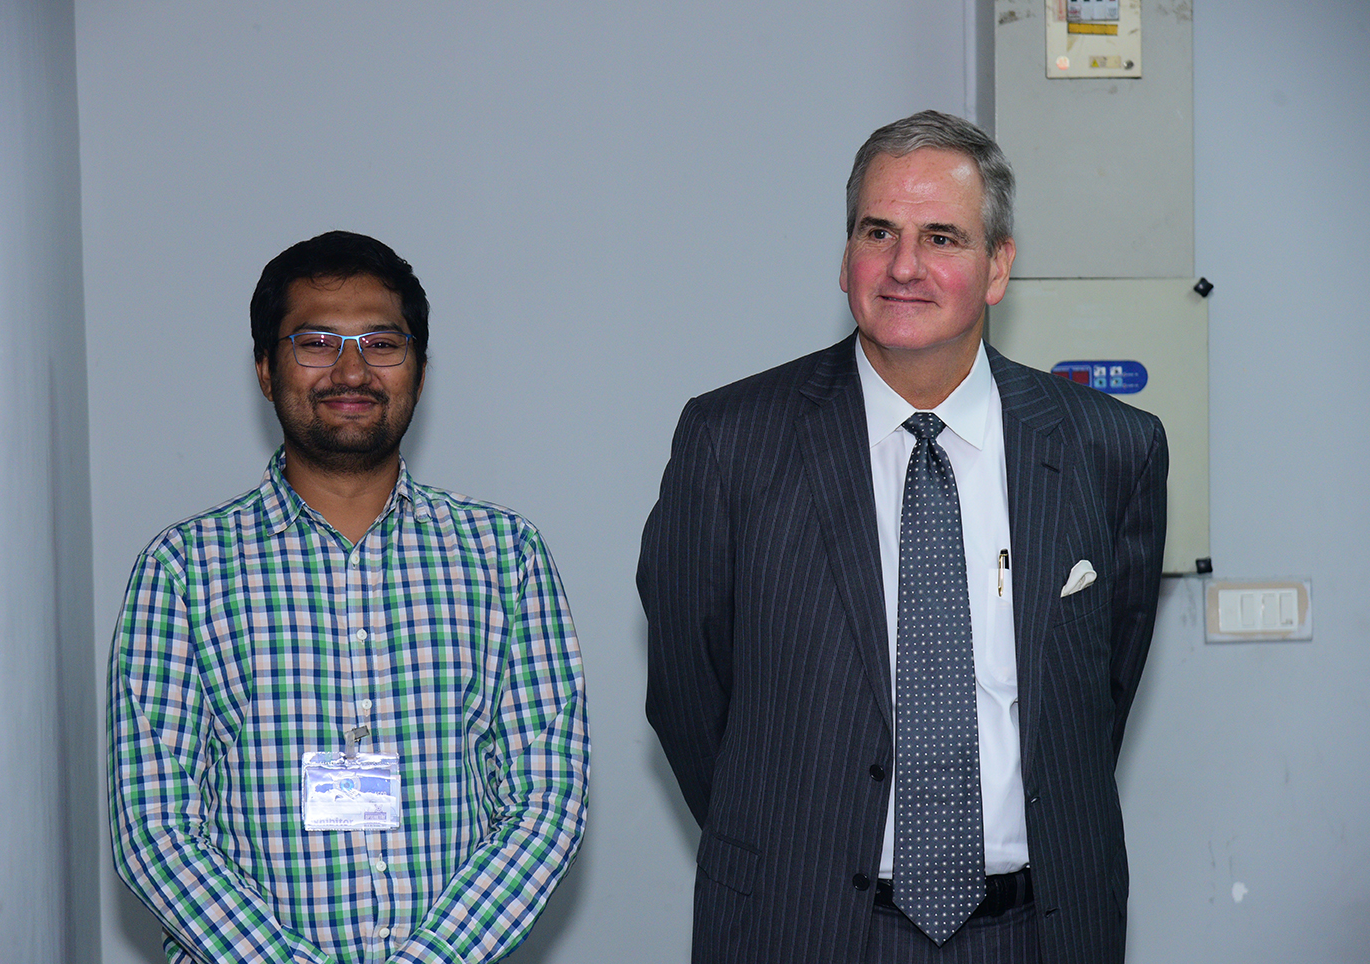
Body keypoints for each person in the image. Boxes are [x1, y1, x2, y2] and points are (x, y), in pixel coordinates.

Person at [639, 111, 1167, 963]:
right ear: (846, 254)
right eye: (878, 231)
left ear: (998, 267)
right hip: (801, 927)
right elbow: (689, 695)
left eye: (942, 238)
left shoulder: (1110, 449)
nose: (904, 266)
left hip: (1036, 931)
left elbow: (1100, 695)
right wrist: (789, 848)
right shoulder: (730, 442)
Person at [109, 231, 589, 964]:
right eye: (317, 343)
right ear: (265, 370)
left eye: (381, 344)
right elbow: (154, 831)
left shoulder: (505, 556)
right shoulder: (182, 570)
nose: (352, 369)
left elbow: (546, 804)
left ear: (419, 371)